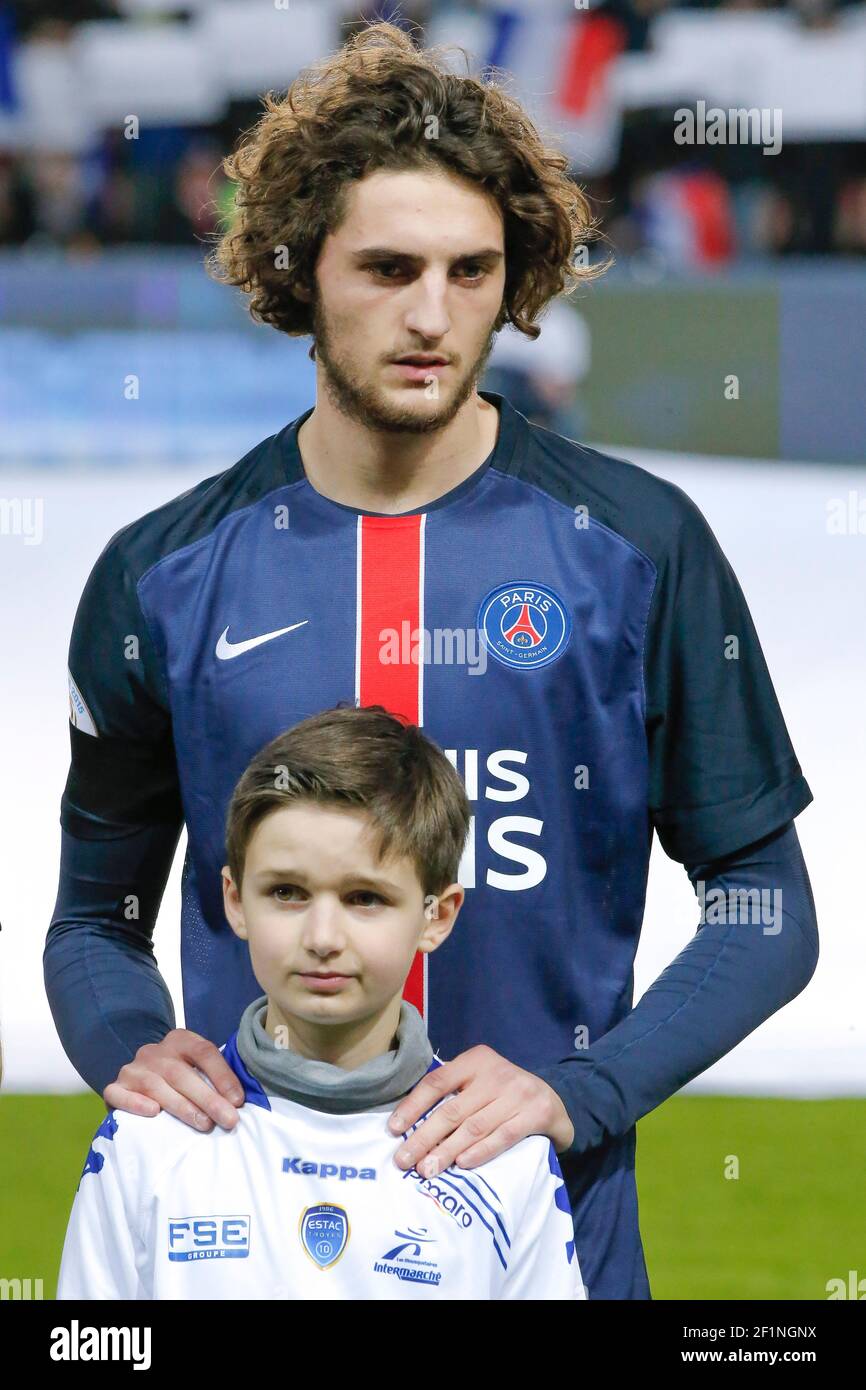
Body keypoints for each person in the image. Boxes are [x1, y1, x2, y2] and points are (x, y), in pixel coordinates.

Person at [45, 22, 818, 1301]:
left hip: (555, 1241)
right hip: (235, 1250)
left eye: (472, 272)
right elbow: (94, 913)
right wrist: (135, 1048)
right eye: (390, 267)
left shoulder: (636, 546)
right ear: (299, 271)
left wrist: (581, 1094)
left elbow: (761, 902)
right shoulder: (162, 573)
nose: (431, 315)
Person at [57, 707, 585, 1300]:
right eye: (287, 892)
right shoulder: (148, 1140)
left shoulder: (498, 1155)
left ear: (437, 915)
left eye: (364, 898)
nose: (323, 937)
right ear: (234, 899)